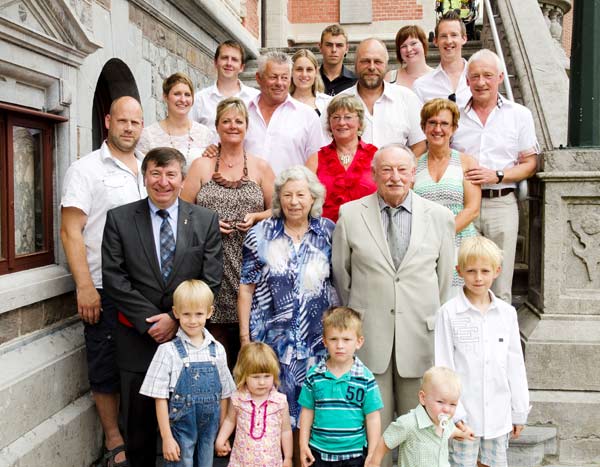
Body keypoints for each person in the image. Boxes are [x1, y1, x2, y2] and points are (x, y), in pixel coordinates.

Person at [332, 144, 455, 467]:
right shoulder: (350, 214)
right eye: (386, 169)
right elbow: (342, 276)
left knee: (422, 434)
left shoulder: (439, 217)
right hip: (371, 338)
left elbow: (443, 281)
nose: (395, 177)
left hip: (420, 338)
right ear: (374, 174)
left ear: (414, 174)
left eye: (402, 170)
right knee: (376, 436)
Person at [102, 147, 223, 467]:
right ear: (144, 178)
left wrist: (174, 318)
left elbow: (211, 279)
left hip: (189, 340)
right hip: (136, 338)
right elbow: (113, 277)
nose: (163, 181)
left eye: (171, 174)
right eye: (155, 173)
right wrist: (151, 322)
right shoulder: (120, 219)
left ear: (182, 179)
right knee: (139, 429)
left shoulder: (205, 220)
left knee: (190, 431)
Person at [61, 95, 146, 467]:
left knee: (141, 365)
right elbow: (70, 231)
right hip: (102, 287)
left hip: (143, 288)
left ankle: (142, 433)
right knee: (105, 363)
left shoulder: (147, 167)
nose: (129, 128)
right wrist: (84, 286)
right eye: (122, 121)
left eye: (135, 122)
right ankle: (114, 439)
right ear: (108, 121)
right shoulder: (85, 169)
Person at [238, 166, 338, 434]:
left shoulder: (328, 232)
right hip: (271, 345)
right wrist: (245, 339)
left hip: (316, 345)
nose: (294, 202)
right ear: (278, 198)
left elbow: (337, 283)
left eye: (301, 195)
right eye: (287, 195)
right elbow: (246, 288)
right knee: (272, 420)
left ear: (313, 198)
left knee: (313, 418)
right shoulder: (260, 234)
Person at [180, 97, 275, 369]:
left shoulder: (260, 166)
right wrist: (206, 224)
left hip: (251, 264)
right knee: (217, 343)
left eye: (239, 121)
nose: (233, 126)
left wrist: (256, 217)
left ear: (247, 127)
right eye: (226, 121)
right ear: (217, 126)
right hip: (212, 264)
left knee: (251, 347)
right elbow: (182, 212)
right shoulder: (201, 166)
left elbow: (277, 210)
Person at [452, 49, 538, 303]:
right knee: (461, 276)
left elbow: (530, 163)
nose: (481, 82)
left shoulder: (518, 115)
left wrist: (497, 175)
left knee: (500, 282)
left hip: (501, 202)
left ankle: (500, 328)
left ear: (500, 77)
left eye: (488, 75)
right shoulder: (455, 115)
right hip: (463, 204)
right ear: (467, 80)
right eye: (475, 76)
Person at [435, 236, 530, 467]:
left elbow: (515, 365)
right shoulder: (448, 313)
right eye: (471, 271)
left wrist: (519, 411)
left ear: (497, 271)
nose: (478, 278)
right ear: (459, 271)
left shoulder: (507, 314)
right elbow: (444, 367)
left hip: (499, 415)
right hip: (464, 416)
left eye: (485, 271)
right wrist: (453, 413)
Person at [140, 280, 235, 466]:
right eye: (186, 314)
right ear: (176, 313)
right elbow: (159, 398)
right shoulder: (168, 351)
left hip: (209, 432)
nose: (192, 320)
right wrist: (166, 437)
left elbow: (224, 394)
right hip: (180, 432)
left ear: (210, 312)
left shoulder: (217, 350)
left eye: (199, 314)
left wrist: (222, 434)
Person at [298, 306, 383, 467]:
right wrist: (303, 445)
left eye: (346, 339)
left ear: (359, 342)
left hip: (354, 456)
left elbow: (372, 417)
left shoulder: (365, 378)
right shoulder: (314, 375)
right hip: (319, 454)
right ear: (324, 341)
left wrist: (372, 452)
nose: (340, 345)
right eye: (333, 339)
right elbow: (307, 411)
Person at [413, 98, 480, 292]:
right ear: (423, 127)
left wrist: (442, 236)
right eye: (432, 122)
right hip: (424, 244)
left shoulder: (467, 162)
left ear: (454, 128)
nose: (438, 129)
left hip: (460, 242)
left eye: (444, 123)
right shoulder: (413, 165)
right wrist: (430, 241)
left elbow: (472, 209)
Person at [368, 367, 472, 467]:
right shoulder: (409, 423)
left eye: (453, 404)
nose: (447, 409)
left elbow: (451, 431)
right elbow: (387, 440)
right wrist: (374, 463)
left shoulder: (446, 422)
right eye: (440, 402)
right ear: (423, 398)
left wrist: (462, 434)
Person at [244, 51, 325, 175]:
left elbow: (315, 161)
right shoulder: (242, 112)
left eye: (284, 78)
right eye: (273, 77)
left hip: (290, 187)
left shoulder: (307, 116)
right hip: (246, 186)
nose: (279, 83)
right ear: (259, 78)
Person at [342, 38, 426, 156]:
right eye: (365, 61)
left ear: (386, 65)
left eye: (377, 62)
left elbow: (420, 145)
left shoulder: (407, 99)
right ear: (355, 64)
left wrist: (403, 166)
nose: (372, 67)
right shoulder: (339, 102)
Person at [215, 342, 293, 467]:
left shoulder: (280, 401)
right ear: (244, 375)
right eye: (256, 377)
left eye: (267, 376)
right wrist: (220, 439)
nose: (262, 382)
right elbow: (230, 420)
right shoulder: (238, 398)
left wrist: (288, 457)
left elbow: (286, 431)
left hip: (271, 462)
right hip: (241, 462)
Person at [306, 94, 378, 222]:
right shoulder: (316, 158)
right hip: (326, 231)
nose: (341, 122)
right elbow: (304, 196)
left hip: (368, 228)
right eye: (336, 117)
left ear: (360, 122)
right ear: (329, 123)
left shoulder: (376, 156)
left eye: (348, 117)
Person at [137, 72, 213, 164]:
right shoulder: (149, 135)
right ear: (165, 97)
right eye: (177, 94)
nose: (183, 100)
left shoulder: (205, 134)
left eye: (187, 95)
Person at [190, 40, 259, 135]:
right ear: (215, 62)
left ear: (242, 67)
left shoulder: (256, 99)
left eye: (234, 59)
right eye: (224, 58)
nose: (229, 63)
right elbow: (189, 134)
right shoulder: (199, 100)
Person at [413, 11, 471, 109]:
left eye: (454, 35)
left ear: (464, 39)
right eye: (443, 36)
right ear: (435, 41)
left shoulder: (481, 80)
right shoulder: (421, 86)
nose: (449, 41)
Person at [290, 49, 332, 116]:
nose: (304, 74)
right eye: (299, 69)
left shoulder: (328, 103)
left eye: (309, 69)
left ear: (316, 72)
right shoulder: (281, 103)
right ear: (291, 72)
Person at [319, 24, 357, 96]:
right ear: (320, 47)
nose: (334, 50)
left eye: (339, 45)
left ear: (347, 49)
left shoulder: (356, 82)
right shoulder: (311, 79)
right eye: (329, 45)